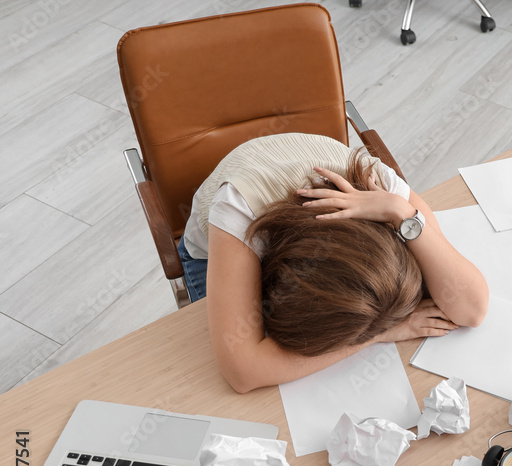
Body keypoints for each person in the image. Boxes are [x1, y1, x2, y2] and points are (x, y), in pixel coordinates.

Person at [176, 132, 489, 393]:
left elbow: (471, 309)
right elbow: (242, 371)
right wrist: (383, 332)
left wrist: (402, 213)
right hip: (215, 247)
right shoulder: (238, 213)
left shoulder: (378, 186)